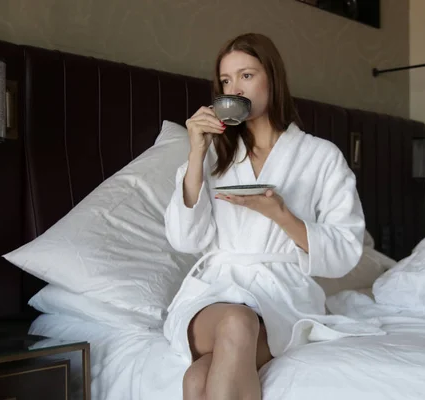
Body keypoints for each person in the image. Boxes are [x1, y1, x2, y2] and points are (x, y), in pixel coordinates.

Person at [163, 33, 382, 400]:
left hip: (282, 297)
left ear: (272, 79)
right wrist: (196, 153)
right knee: (235, 320)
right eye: (226, 81)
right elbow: (186, 240)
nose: (235, 88)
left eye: (246, 76)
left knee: (198, 380)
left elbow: (345, 250)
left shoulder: (321, 156)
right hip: (216, 293)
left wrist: (281, 215)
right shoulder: (214, 156)